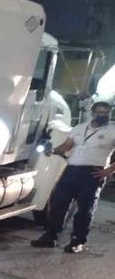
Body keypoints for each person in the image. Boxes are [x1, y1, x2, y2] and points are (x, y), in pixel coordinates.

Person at [31, 101, 115, 253]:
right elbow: (66, 147)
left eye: (106, 113)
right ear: (93, 112)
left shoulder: (112, 130)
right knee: (58, 205)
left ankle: (77, 241)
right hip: (71, 170)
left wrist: (109, 170)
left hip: (93, 174)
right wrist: (52, 150)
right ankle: (50, 237)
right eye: (100, 112)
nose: (103, 115)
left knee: (84, 210)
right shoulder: (79, 128)